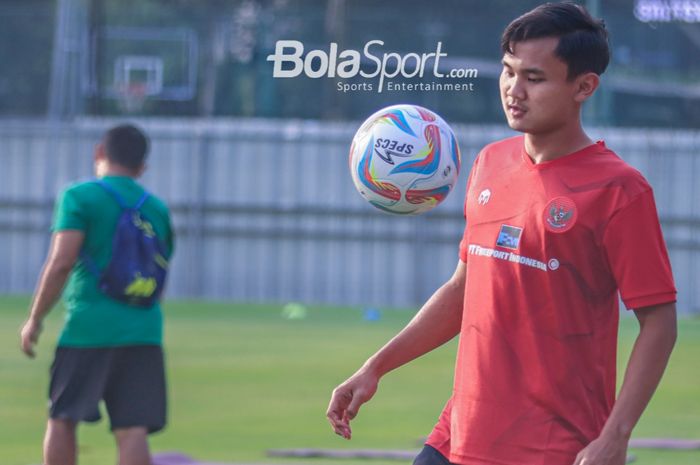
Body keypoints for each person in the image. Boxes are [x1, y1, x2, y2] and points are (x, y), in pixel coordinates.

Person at [327, 3, 677, 465]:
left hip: (551, 447)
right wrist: (376, 367)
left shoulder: (619, 191)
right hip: (457, 435)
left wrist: (616, 436)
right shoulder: (490, 162)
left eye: (534, 78)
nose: (514, 90)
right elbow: (462, 289)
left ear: (584, 87)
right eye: (508, 72)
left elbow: (660, 322)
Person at [20, 124, 175, 465]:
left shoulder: (79, 197)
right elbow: (159, 274)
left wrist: (35, 319)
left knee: (62, 419)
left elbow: (61, 263)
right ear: (142, 167)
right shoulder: (158, 209)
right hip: (144, 331)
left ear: (99, 153)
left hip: (87, 329)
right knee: (133, 428)